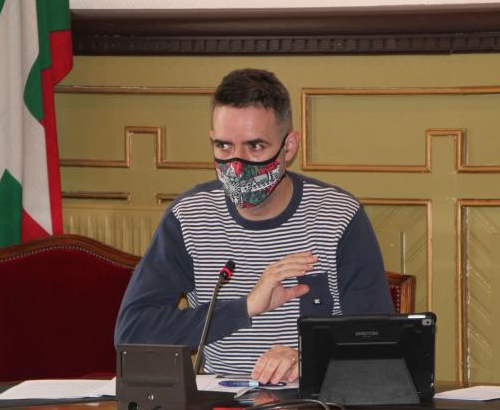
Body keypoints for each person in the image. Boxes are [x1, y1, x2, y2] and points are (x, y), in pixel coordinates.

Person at [114, 68, 393, 385]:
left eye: (255, 146)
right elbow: (133, 334)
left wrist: (311, 359)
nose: (237, 163)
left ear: (289, 147)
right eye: (224, 147)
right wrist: (244, 308)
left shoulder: (337, 215)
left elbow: (377, 341)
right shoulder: (190, 216)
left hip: (315, 407)